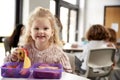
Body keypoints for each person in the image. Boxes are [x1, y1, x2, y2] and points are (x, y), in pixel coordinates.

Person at [5, 7, 72, 73]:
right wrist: (14, 59)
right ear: (30, 32)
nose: (40, 31)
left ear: (52, 32)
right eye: (36, 28)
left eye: (45, 28)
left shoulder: (58, 53)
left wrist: (52, 70)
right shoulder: (25, 49)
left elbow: (67, 73)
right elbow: (8, 65)